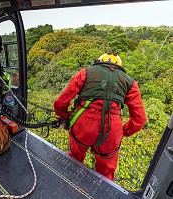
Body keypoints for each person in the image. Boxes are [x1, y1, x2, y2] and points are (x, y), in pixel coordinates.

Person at [53, 53, 147, 181]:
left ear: (99, 62)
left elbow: (60, 104)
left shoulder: (85, 73)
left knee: (75, 160)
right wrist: (124, 131)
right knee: (106, 174)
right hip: (112, 132)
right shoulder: (130, 83)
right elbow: (140, 120)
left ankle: (69, 185)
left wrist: (67, 117)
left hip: (83, 126)